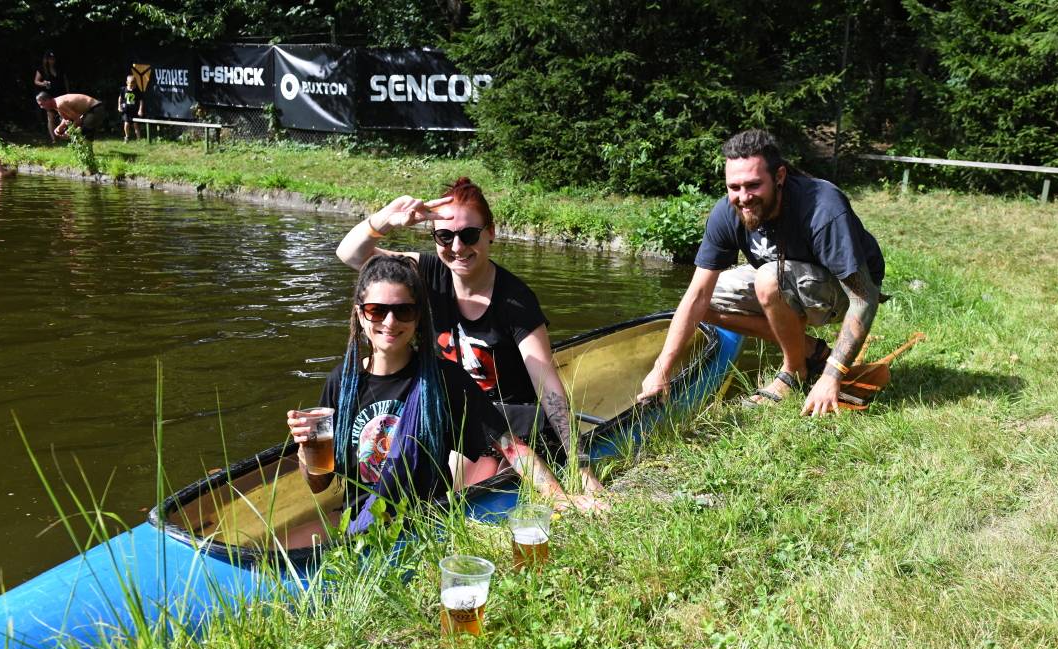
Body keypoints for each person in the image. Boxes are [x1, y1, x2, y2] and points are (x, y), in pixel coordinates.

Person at [286, 255, 602, 542]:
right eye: (377, 310)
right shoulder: (341, 381)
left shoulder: (444, 379)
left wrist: (559, 497)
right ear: (360, 314)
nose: (390, 322)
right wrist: (305, 450)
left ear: (418, 317)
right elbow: (319, 484)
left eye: (404, 311)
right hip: (358, 522)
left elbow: (510, 445)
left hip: (420, 525)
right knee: (277, 548)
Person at [336, 178, 606, 493]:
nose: (457, 247)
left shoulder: (515, 301)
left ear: (490, 233)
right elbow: (350, 255)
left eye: (469, 235)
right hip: (451, 412)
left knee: (454, 479)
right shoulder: (428, 272)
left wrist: (581, 467)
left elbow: (548, 387)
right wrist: (386, 218)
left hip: (506, 422)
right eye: (444, 236)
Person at [638, 128, 885, 416]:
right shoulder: (726, 213)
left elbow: (864, 298)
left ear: (779, 177)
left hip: (844, 290)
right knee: (706, 300)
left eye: (753, 185)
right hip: (786, 279)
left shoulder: (823, 207)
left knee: (769, 278)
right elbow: (697, 296)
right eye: (734, 187)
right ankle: (809, 351)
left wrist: (833, 375)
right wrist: (661, 370)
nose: (743, 197)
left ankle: (794, 372)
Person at [36, 92, 106, 141]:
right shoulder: (56, 105)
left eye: (41, 104)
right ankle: (85, 154)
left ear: (48, 100)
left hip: (96, 108)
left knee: (83, 131)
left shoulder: (59, 104)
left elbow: (78, 120)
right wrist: (58, 129)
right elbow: (66, 119)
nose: (41, 107)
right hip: (90, 110)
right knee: (80, 132)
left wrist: (69, 131)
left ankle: (87, 155)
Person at [33, 51, 67, 144]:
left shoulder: (59, 69)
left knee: (64, 115)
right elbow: (36, 81)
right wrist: (44, 83)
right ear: (46, 60)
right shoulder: (41, 70)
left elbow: (65, 81)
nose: (52, 61)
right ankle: (54, 139)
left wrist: (68, 92)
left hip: (61, 94)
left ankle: (64, 135)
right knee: (51, 117)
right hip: (49, 96)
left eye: (53, 59)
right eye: (50, 59)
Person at [118, 74, 144, 142]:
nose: (132, 87)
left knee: (136, 125)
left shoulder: (137, 90)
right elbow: (120, 98)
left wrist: (140, 110)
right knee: (126, 124)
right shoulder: (123, 89)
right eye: (131, 85)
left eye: (134, 84)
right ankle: (127, 137)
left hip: (134, 111)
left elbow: (141, 101)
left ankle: (139, 139)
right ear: (127, 83)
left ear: (136, 83)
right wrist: (119, 106)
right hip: (126, 111)